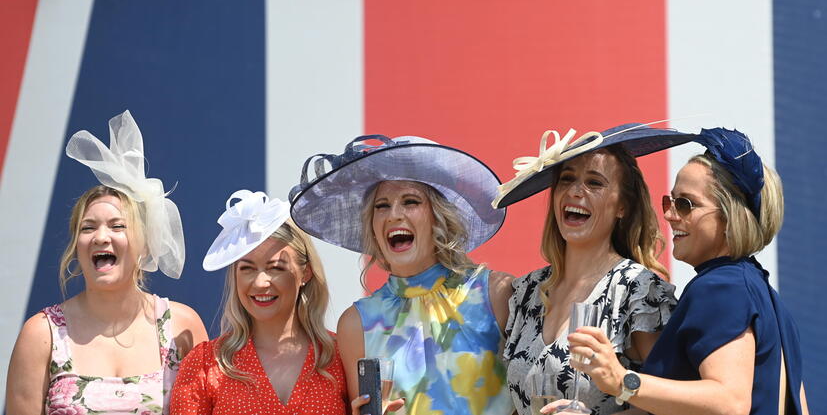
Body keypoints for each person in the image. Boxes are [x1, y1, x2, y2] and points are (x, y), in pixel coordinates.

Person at [567, 127, 809, 415]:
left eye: (685, 204)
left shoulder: (722, 286)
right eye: (670, 202)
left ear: (729, 216)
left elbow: (730, 402)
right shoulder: (760, 290)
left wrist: (621, 380)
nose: (669, 215)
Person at [288, 134, 514, 415]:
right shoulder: (355, 324)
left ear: (439, 216)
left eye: (410, 201)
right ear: (372, 225)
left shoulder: (496, 293)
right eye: (382, 206)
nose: (394, 214)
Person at [5, 110, 207, 415]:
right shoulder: (41, 334)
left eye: (117, 226)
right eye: (88, 228)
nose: (101, 237)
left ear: (145, 242)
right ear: (76, 246)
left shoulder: (183, 326)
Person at [496, 124, 694, 415]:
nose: (576, 191)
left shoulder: (637, 288)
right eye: (566, 179)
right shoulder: (526, 291)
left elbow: (675, 406)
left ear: (622, 207)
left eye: (595, 183)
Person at [169, 190, 347, 415]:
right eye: (247, 269)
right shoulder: (204, 364)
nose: (261, 282)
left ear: (306, 273)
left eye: (276, 268)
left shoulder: (340, 355)